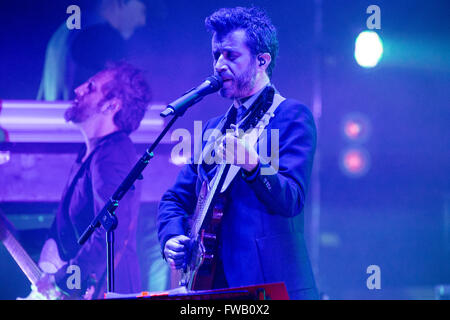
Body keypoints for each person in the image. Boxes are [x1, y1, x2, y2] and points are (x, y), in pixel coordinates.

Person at [157, 7, 319, 300]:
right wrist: (171, 236)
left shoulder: (291, 116)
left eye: (231, 55)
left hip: (268, 288)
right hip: (209, 285)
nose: (219, 64)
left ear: (261, 61)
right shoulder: (212, 130)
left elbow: (292, 199)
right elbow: (175, 198)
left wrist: (253, 165)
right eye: (216, 55)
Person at [35, 62, 151, 299]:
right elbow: (68, 236)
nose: (78, 90)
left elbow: (112, 230)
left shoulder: (113, 155)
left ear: (112, 105)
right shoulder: (92, 154)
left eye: (91, 87)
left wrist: (65, 280)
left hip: (105, 291)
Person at [37, 0, 148, 101]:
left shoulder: (65, 30)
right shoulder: (105, 37)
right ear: (120, 3)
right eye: (142, 11)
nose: (142, 22)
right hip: (81, 119)